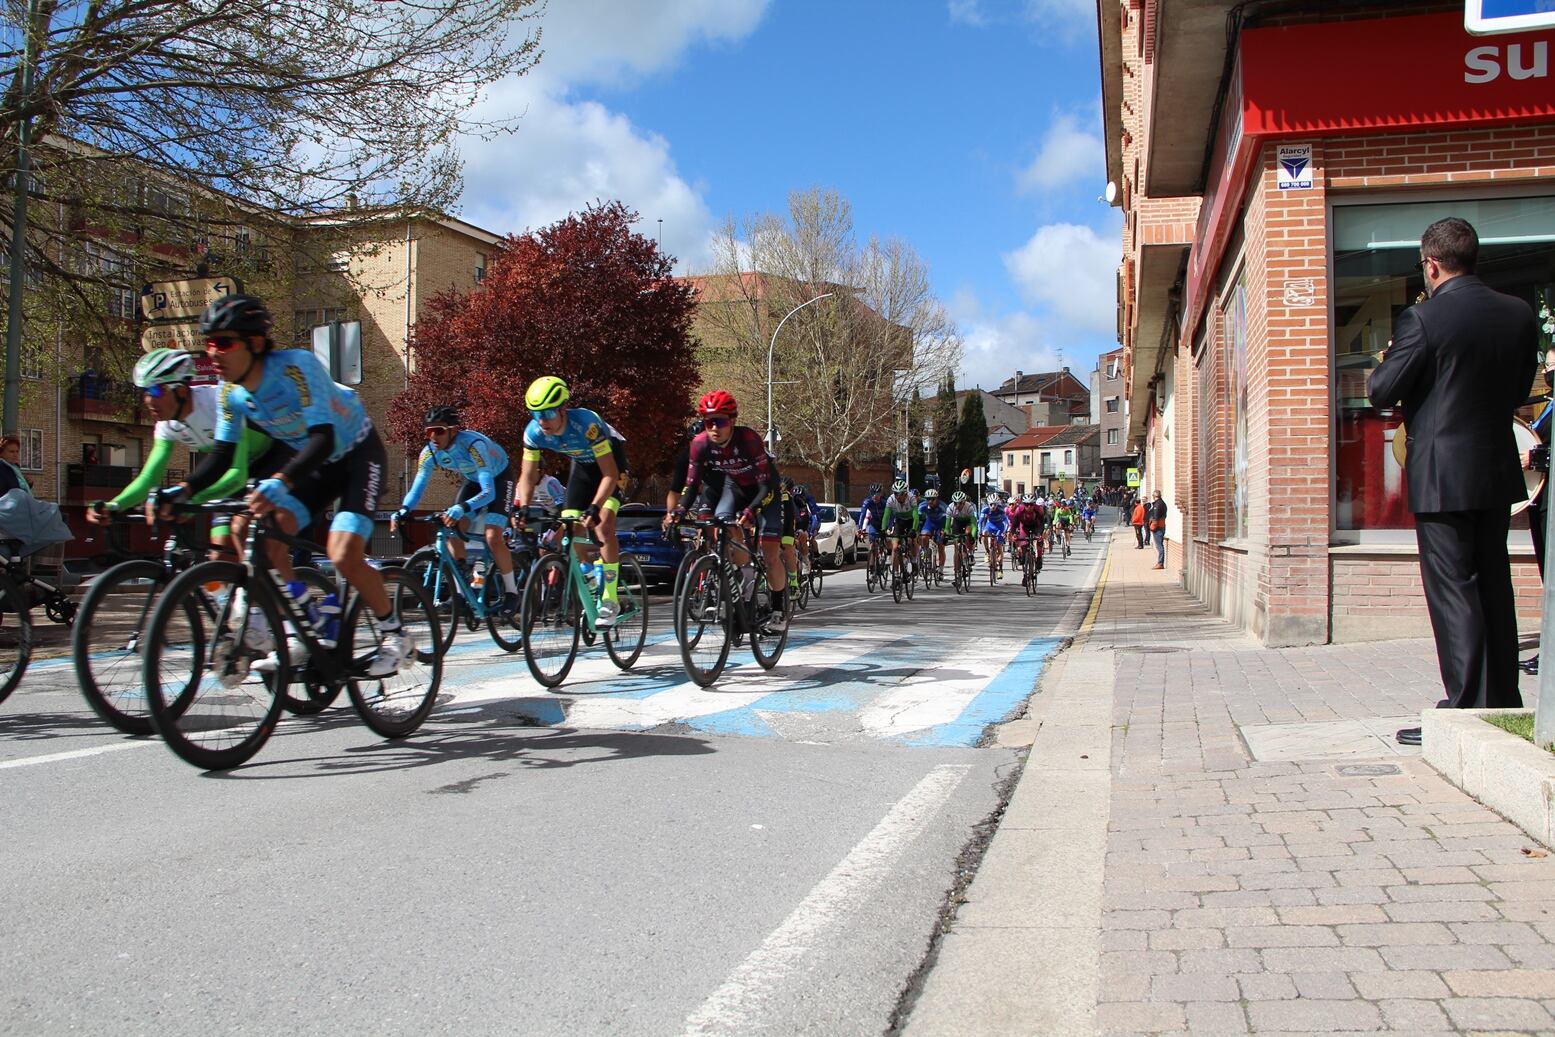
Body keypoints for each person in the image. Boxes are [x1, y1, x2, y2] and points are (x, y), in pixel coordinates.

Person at [161, 294, 412, 676]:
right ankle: (305, 617)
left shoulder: (297, 367)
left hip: (356, 455)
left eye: (224, 342)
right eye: (208, 343)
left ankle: (395, 634)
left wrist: (279, 480)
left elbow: (323, 438)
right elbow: (223, 455)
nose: (213, 352)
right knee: (256, 533)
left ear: (255, 343)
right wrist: (184, 491)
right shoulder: (232, 393)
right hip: (314, 466)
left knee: (343, 553)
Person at [1368, 216, 1538, 740]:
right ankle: (1502, 700)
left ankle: (1463, 709)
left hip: (1443, 473)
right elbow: (1515, 389)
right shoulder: (1518, 313)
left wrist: (1395, 364)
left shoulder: (1423, 319)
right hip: (1493, 467)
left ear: (1432, 263)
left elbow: (1380, 389)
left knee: (1453, 589)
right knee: (1493, 584)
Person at [88, 348, 289, 563]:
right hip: (236, 471)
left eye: (156, 391)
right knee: (220, 557)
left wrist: (192, 498)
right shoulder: (167, 425)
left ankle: (280, 588)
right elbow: (149, 478)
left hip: (274, 456)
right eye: (143, 392)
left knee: (244, 535)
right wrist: (115, 505)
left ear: (182, 390)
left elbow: (237, 474)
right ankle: (236, 594)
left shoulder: (219, 405)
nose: (148, 400)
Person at [514, 375, 629, 628]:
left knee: (603, 526)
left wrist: (596, 507)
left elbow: (610, 474)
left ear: (563, 408)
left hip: (611, 467)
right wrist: (522, 506)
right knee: (569, 527)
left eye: (548, 412)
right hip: (583, 468)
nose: (542, 420)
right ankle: (590, 576)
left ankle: (610, 598)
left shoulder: (586, 424)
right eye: (535, 414)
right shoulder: (533, 432)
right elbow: (528, 474)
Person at [391, 407, 521, 616]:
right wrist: (403, 510)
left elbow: (489, 492)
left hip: (498, 479)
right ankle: (461, 593)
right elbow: (418, 486)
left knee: (493, 536)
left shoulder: (472, 445)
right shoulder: (430, 452)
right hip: (472, 481)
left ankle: (512, 593)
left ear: (455, 430)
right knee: (450, 527)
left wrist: (462, 507)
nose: (433, 436)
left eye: (439, 431)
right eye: (429, 431)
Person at [675, 390, 788, 631]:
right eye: (708, 422)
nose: (714, 428)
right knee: (721, 527)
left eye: (720, 421)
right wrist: (678, 511)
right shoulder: (700, 443)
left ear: (733, 421)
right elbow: (692, 485)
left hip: (764, 491)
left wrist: (750, 510)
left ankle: (779, 610)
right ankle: (734, 576)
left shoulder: (748, 439)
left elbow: (765, 485)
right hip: (734, 486)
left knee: (770, 556)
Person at [1521, 352, 1554, 675]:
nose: (1548, 374)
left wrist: (1536, 457)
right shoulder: (1547, 406)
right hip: (1541, 503)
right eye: (1547, 368)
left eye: (1553, 368)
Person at [1147, 490, 1168, 569]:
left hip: (1158, 527)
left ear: (1154, 496)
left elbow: (1156, 517)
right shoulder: (1162, 503)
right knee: (1159, 545)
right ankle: (1160, 562)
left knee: (1159, 546)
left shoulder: (1158, 504)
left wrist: (1153, 527)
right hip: (1161, 526)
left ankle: (1160, 563)